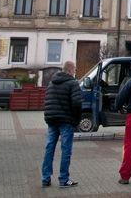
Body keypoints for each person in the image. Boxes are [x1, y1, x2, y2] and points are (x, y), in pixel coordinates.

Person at [41, 60, 82, 188]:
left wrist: (48, 117)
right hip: (66, 121)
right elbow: (77, 103)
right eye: (74, 69)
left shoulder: (51, 83)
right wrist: (76, 119)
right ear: (70, 70)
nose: (75, 71)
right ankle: (64, 179)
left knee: (49, 148)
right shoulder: (73, 83)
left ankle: (45, 178)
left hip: (52, 120)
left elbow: (47, 100)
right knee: (66, 150)